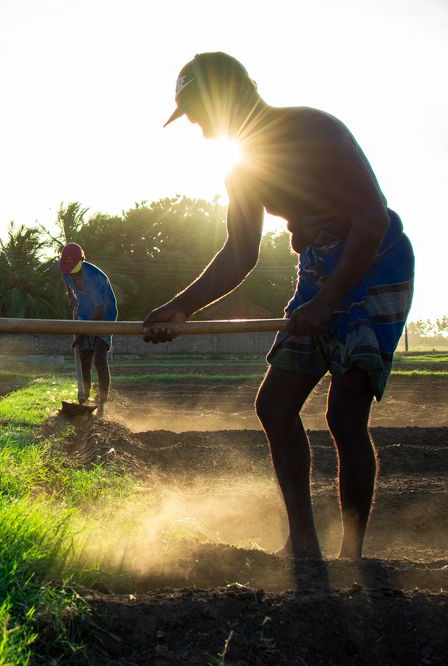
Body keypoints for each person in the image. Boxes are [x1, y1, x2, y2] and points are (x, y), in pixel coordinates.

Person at [145, 52, 414, 560]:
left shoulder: (316, 131)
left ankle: (352, 555)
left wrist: (329, 301)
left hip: (375, 260)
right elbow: (240, 253)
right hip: (318, 268)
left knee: (344, 414)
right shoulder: (240, 168)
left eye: (201, 113)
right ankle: (304, 544)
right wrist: (179, 308)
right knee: (275, 405)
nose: (201, 130)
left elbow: (371, 221)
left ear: (233, 94)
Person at [59, 242, 118, 417]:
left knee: (99, 358)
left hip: (105, 314)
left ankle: (102, 404)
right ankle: (84, 400)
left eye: (74, 268)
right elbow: (68, 284)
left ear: (82, 261)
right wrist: (71, 295)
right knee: (84, 358)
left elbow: (99, 308)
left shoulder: (94, 277)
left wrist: (81, 332)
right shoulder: (64, 270)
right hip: (84, 312)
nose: (71, 272)